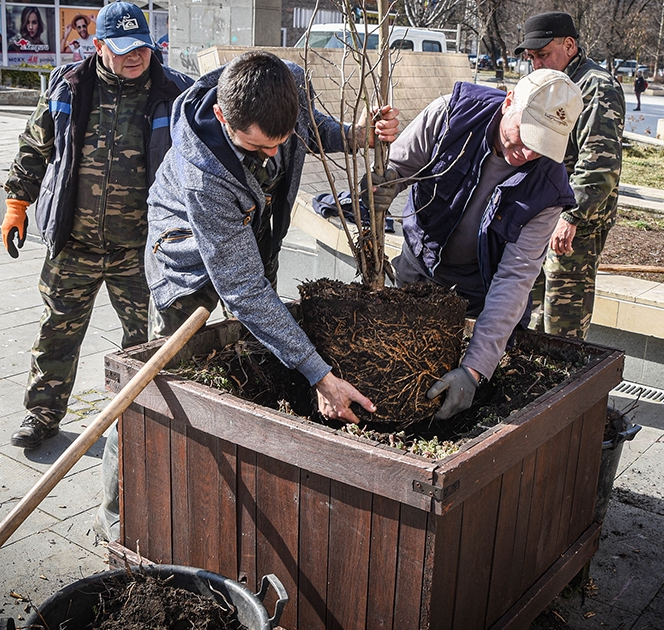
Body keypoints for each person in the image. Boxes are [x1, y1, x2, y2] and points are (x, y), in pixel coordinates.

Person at [115, 50, 397, 542]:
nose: (272, 155)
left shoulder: (286, 87)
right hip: (184, 259)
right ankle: (121, 509)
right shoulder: (205, 171)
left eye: (279, 143)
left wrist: (358, 134)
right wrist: (321, 376)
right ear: (224, 118)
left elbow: (313, 130)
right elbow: (243, 289)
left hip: (247, 238)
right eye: (258, 146)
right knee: (163, 380)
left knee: (258, 347)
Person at [1, 1, 192, 455]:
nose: (135, 56)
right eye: (123, 48)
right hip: (74, 243)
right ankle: (42, 414)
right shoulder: (70, 85)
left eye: (142, 47)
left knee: (147, 342)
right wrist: (16, 203)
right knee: (57, 332)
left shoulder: (173, 91)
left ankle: (141, 420)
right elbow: (35, 145)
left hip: (143, 250)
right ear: (100, 45)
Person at [368, 70, 582, 418]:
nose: (527, 152)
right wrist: (380, 186)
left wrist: (473, 370)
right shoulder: (452, 115)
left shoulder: (549, 188)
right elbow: (396, 167)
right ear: (509, 101)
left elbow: (514, 280)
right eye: (526, 135)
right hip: (418, 263)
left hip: (479, 293)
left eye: (541, 145)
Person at [515, 12, 626, 340]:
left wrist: (572, 217)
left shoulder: (596, 86)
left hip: (574, 224)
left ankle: (563, 388)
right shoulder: (547, 83)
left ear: (570, 45)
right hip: (537, 216)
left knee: (562, 326)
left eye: (544, 55)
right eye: (531, 58)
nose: (537, 64)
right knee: (518, 310)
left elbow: (600, 165)